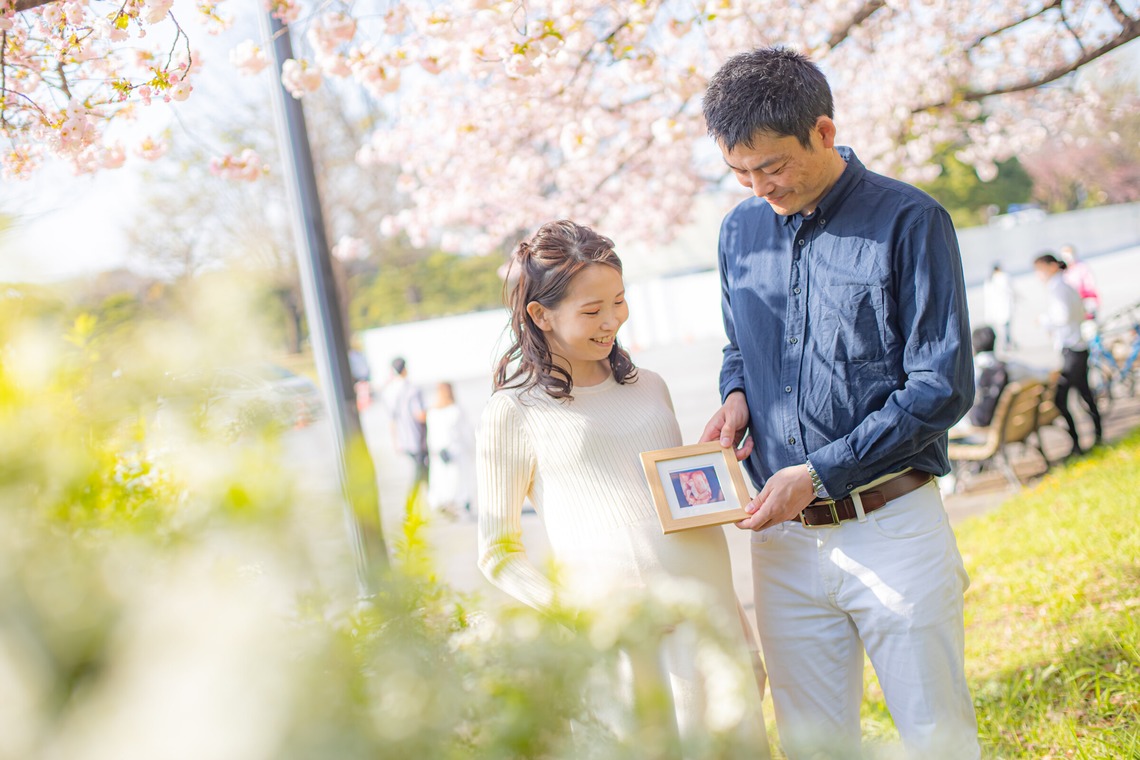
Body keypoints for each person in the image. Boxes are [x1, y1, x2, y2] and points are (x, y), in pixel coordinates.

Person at [699, 47, 979, 757]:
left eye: (773, 167)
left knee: (935, 736)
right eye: (741, 172)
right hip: (783, 545)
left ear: (823, 132)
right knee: (814, 744)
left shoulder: (910, 220)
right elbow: (740, 343)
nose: (760, 186)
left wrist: (818, 475)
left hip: (893, 526)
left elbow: (940, 386)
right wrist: (736, 394)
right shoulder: (739, 231)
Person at [477, 220, 769, 753]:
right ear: (540, 315)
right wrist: (587, 615)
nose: (612, 320)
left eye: (619, 301)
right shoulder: (512, 410)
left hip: (710, 629)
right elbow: (496, 552)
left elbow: (675, 510)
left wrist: (717, 472)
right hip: (625, 648)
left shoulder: (650, 385)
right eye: (591, 311)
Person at [1035, 252, 1103, 456]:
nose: (1038, 275)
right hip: (1079, 346)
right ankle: (1097, 435)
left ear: (1051, 266)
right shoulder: (1067, 285)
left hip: (1071, 348)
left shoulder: (1058, 287)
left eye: (1039, 270)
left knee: (1061, 399)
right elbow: (1080, 312)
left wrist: (1045, 321)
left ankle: (1076, 444)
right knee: (1085, 394)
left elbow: (1062, 316)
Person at [381, 357, 429, 506]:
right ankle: (411, 504)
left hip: (403, 439)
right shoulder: (412, 389)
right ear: (405, 369)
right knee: (419, 470)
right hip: (417, 437)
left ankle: (433, 499)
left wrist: (395, 442)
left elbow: (392, 419)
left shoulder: (388, 391)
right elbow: (419, 414)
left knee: (422, 468)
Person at [426, 381, 474, 519]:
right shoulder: (456, 410)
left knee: (442, 479)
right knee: (460, 479)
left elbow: (431, 435)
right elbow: (466, 433)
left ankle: (443, 502)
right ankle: (461, 504)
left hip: (438, 452)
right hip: (456, 451)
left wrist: (433, 451)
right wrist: (473, 448)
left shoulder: (432, 411)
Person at [1059, 244, 1099, 320]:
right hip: (1071, 302)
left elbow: (1090, 284)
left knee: (1091, 321)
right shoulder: (1061, 271)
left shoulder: (1082, 266)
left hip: (1086, 299)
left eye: (1069, 253)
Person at [983, 263, 1017, 350]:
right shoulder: (1003, 277)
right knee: (1006, 326)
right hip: (1003, 305)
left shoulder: (990, 280)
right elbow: (1010, 290)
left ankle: (1008, 342)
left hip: (997, 307)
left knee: (1003, 327)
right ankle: (1008, 343)